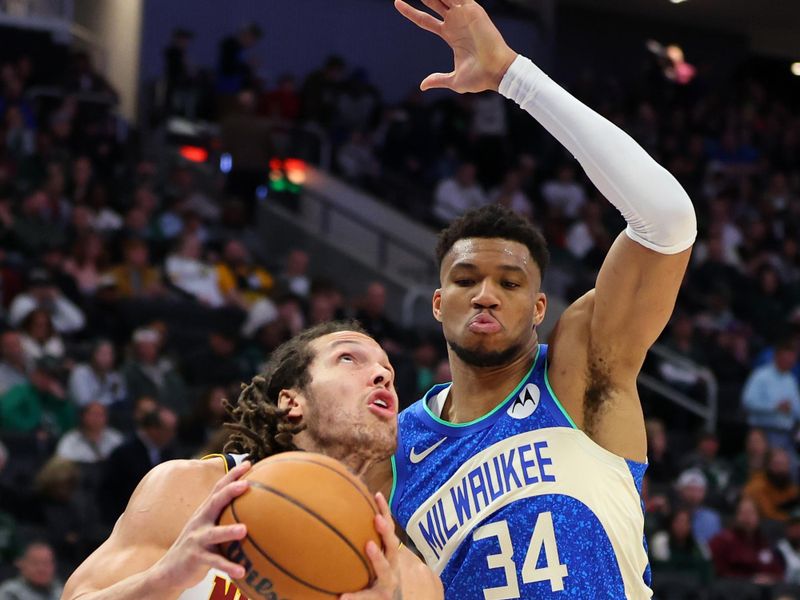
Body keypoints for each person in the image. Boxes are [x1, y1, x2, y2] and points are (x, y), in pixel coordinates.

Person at [389, 1, 697, 598]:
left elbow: (667, 220)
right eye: (465, 279)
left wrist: (513, 77)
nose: (485, 295)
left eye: (510, 284)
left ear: (538, 309)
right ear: (435, 302)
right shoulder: (397, 447)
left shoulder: (580, 371)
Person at [63, 321, 442, 599]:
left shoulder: (410, 580)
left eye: (388, 371)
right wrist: (163, 578)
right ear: (292, 402)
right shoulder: (193, 491)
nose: (381, 375)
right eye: (349, 358)